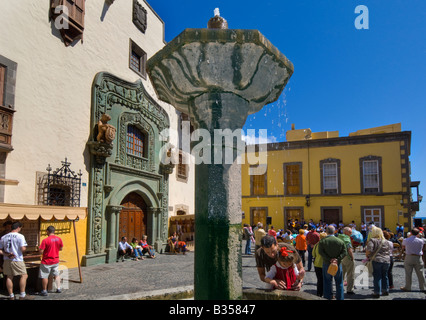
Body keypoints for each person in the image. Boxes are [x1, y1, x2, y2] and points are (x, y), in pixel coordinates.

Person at [318, 225, 347, 300]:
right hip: (337, 264)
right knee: (339, 282)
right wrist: (337, 259)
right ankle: (340, 298)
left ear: (326, 231)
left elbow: (320, 252)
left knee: (327, 282)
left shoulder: (322, 241)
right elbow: (344, 252)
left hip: (327, 263)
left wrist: (329, 259)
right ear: (334, 231)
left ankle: (328, 297)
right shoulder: (340, 241)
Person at [0, 221, 28, 300]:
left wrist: (6, 254)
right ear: (18, 228)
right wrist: (24, 248)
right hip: (17, 259)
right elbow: (22, 248)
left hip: (7, 259)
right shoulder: (20, 236)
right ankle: (22, 294)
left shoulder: (4, 237)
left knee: (9, 277)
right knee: (24, 275)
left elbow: (0, 250)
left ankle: (11, 296)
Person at [365, 226, 391, 298]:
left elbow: (369, 250)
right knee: (385, 275)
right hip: (386, 260)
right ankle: (385, 290)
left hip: (377, 260)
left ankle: (377, 292)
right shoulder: (386, 241)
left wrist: (367, 256)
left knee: (377, 276)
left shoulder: (372, 240)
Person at [38, 226, 64, 296]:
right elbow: (61, 248)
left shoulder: (45, 240)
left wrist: (39, 249)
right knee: (56, 275)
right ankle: (58, 288)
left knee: (45, 276)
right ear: (54, 231)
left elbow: (41, 251)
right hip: (55, 260)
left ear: (47, 231)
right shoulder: (59, 239)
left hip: (46, 261)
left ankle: (44, 290)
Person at [400, 228, 425, 293]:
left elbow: (403, 246)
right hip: (418, 257)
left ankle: (408, 287)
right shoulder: (421, 241)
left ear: (411, 232)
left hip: (409, 256)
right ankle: (423, 287)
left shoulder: (406, 240)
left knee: (408, 273)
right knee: (421, 273)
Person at [338, 227, 355, 295]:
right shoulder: (346, 238)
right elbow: (349, 249)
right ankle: (350, 289)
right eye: (350, 232)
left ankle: (340, 287)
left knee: (341, 274)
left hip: (341, 257)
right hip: (347, 257)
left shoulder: (339, 237)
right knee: (350, 274)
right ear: (346, 232)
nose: (351, 233)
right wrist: (352, 257)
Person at [312, 232, 327, 297]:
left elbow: (313, 254)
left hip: (317, 264)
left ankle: (319, 293)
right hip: (325, 264)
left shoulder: (316, 245)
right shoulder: (327, 245)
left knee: (319, 280)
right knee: (326, 279)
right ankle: (326, 293)